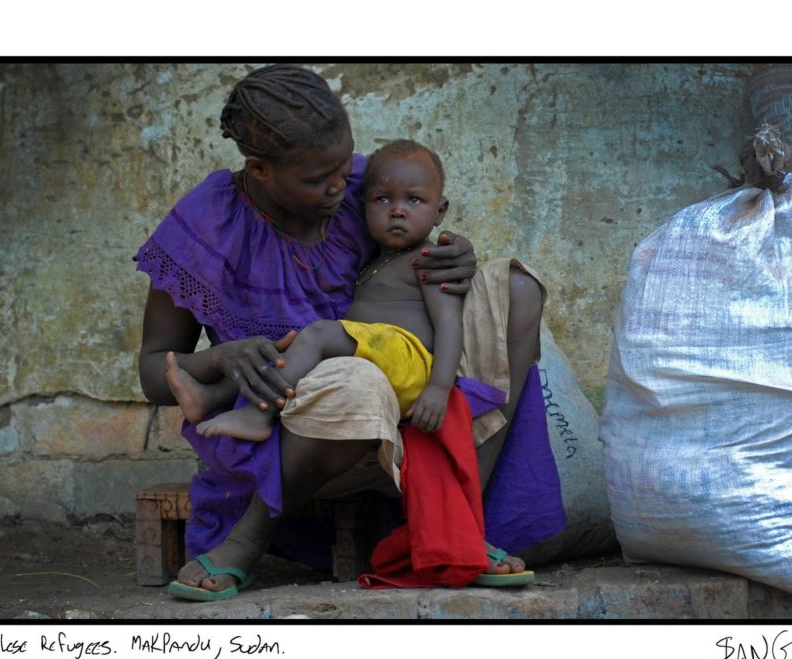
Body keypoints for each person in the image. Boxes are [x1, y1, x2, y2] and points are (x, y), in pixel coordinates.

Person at [135, 64, 565, 601]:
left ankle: (459, 524)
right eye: (319, 179)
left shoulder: (365, 185)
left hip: (408, 402)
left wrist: (457, 254)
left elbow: (417, 240)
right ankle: (247, 538)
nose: (342, 186)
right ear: (259, 169)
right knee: (354, 384)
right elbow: (155, 373)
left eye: (345, 166)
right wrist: (220, 357)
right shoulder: (207, 224)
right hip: (291, 421)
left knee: (518, 291)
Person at [168, 139, 463, 442]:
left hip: (407, 364)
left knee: (319, 334)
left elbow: (449, 323)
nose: (397, 211)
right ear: (363, 206)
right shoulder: (374, 258)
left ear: (439, 211)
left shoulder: (432, 260)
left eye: (414, 200)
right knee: (285, 349)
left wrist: (439, 388)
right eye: (382, 199)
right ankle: (214, 396)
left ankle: (258, 415)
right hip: (367, 361)